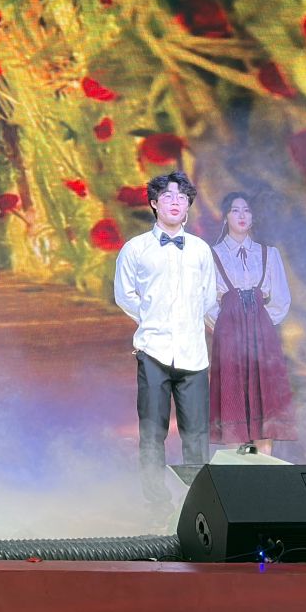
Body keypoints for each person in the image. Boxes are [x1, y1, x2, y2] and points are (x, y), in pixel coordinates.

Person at [114, 171, 219, 512]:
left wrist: (186, 323)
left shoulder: (200, 250)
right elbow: (125, 294)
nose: (175, 202)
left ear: (188, 206)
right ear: (154, 204)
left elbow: (208, 297)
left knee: (197, 435)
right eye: (168, 197)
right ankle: (157, 502)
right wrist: (152, 320)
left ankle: (197, 505)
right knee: (152, 432)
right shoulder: (136, 249)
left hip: (193, 355)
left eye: (182, 197)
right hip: (153, 352)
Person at [207, 192, 299, 454]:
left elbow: (280, 299)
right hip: (229, 335)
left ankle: (264, 465)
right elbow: (206, 302)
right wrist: (228, 323)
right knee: (232, 393)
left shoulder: (268, 254)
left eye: (246, 210)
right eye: (235, 210)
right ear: (225, 216)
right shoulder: (212, 255)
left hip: (262, 335)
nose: (242, 215)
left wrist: (259, 323)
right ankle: (235, 466)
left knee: (264, 395)